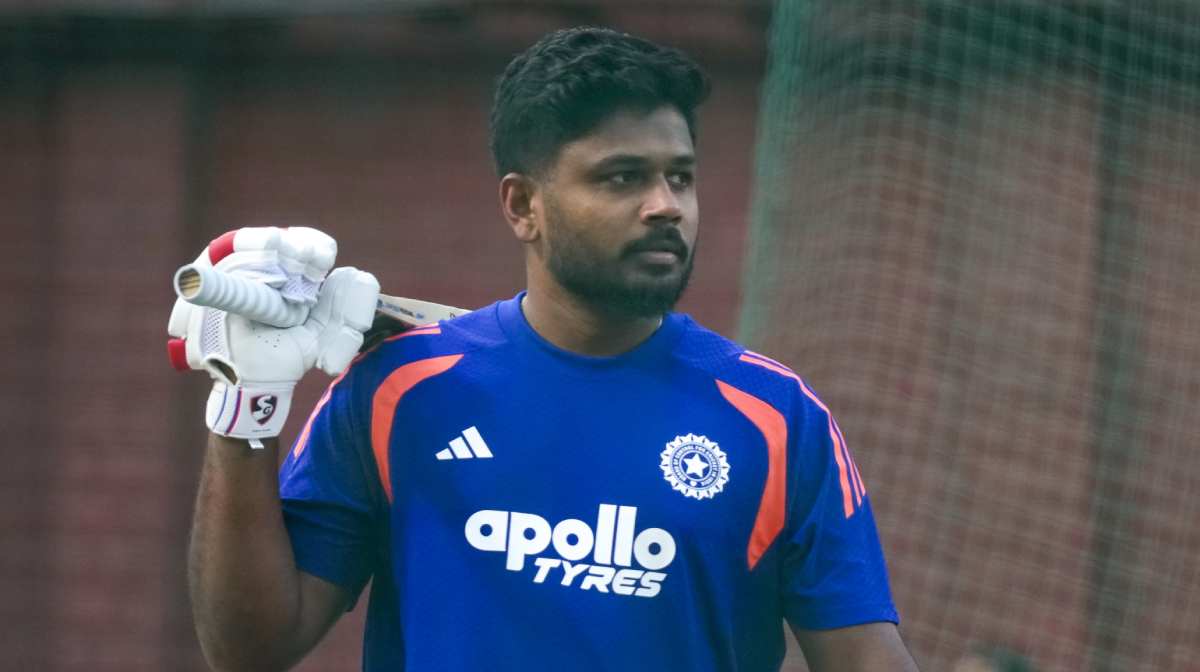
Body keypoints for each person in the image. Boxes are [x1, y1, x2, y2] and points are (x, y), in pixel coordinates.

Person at [176, 26, 919, 672]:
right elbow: (248, 648)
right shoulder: (400, 391)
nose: (666, 205)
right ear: (522, 206)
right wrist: (247, 410)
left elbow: (865, 657)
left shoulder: (777, 418)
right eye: (622, 177)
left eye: (680, 177)